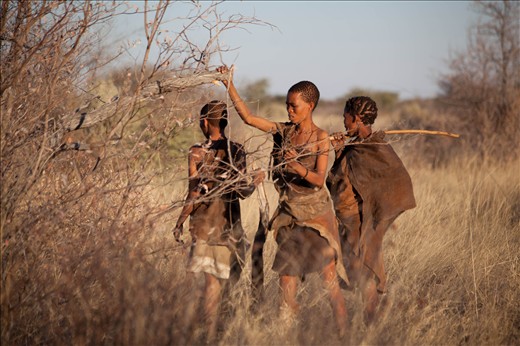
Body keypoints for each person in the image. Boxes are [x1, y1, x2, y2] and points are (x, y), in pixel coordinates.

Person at [216, 65, 349, 336]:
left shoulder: (321, 138)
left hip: (316, 216)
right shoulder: (282, 131)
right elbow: (250, 118)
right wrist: (229, 85)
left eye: (294, 106)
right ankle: (283, 334)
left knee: (329, 280)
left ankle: (346, 336)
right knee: (286, 277)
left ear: (310, 106)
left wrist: (294, 165)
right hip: (290, 216)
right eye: (287, 106)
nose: (289, 111)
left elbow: (318, 179)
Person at [172, 100, 265, 342]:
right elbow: (243, 192)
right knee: (221, 287)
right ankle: (217, 335)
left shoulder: (196, 152)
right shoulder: (237, 151)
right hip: (228, 228)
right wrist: (256, 180)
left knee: (208, 286)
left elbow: (193, 192)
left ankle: (207, 335)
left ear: (204, 122)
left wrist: (180, 221)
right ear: (224, 122)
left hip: (203, 227)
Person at [327, 96, 416, 325]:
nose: (343, 121)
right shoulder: (353, 147)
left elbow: (397, 181)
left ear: (356, 118)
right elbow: (341, 180)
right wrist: (339, 152)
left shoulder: (375, 147)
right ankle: (369, 323)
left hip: (367, 220)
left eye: (345, 116)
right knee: (358, 270)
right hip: (350, 220)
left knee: (367, 267)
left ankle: (371, 323)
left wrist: (378, 214)